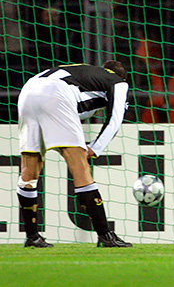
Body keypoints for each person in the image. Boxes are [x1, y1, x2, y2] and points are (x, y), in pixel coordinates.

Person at [17, 61, 132, 248]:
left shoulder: (86, 73)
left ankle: (32, 237)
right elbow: (115, 119)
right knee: (81, 169)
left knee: (29, 173)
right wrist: (95, 147)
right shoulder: (118, 83)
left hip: (28, 90)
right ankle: (106, 236)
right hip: (56, 94)